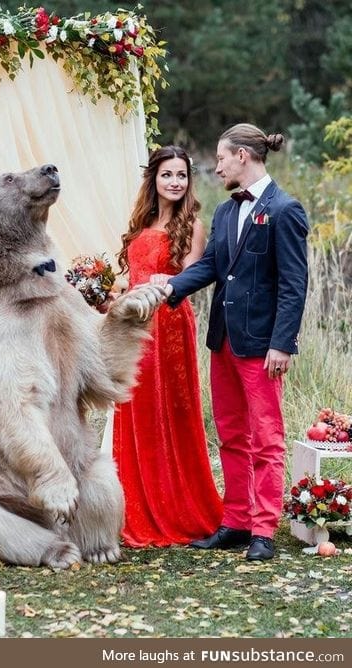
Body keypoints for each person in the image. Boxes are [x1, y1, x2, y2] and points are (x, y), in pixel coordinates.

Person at [160, 124, 309, 561]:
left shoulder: (285, 210)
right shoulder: (225, 213)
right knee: (230, 434)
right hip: (223, 341)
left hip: (264, 346)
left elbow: (294, 285)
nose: (217, 165)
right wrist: (169, 290)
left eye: (222, 157)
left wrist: (282, 343)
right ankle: (237, 522)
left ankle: (264, 531)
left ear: (243, 156)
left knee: (266, 438)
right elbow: (209, 267)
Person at [113, 145, 223, 548]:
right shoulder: (140, 222)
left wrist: (159, 285)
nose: (175, 182)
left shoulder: (192, 224)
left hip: (169, 322)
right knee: (134, 406)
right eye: (167, 175)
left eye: (181, 176)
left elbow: (192, 274)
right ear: (154, 180)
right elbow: (131, 276)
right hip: (133, 322)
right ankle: (133, 502)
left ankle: (176, 505)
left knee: (169, 410)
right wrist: (106, 289)